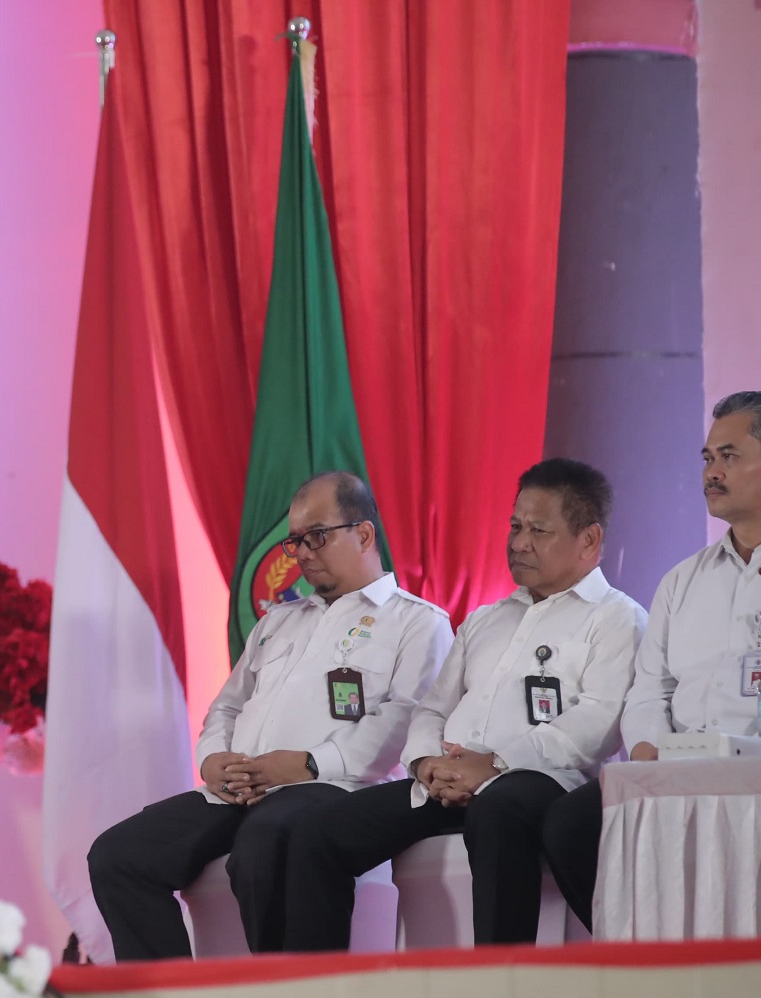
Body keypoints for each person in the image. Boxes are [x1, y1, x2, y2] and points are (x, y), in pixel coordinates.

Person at [281, 458, 646, 949]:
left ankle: (501, 982)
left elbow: (598, 721)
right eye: (515, 526)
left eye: (538, 530)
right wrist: (426, 762)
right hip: (445, 780)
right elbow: (432, 708)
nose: (519, 543)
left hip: (542, 781)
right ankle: (317, 984)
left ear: (589, 540)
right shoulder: (486, 618)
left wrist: (495, 764)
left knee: (498, 811)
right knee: (317, 832)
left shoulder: (617, 618)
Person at [86, 472, 453, 958]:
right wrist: (213, 760)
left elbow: (406, 718)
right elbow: (227, 705)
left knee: (263, 845)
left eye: (316, 536)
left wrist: (307, 764)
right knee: (118, 855)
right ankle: (170, 997)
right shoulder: (279, 620)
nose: (301, 553)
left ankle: (283, 993)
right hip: (238, 790)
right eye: (294, 541)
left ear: (364, 534)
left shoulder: (417, 621)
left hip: (333, 790)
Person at [543, 391, 761, 931]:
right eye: (707, 458)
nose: (711, 472)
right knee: (569, 825)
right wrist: (646, 753)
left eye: (729, 456)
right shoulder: (682, 581)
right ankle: (643, 954)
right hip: (677, 768)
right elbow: (649, 690)